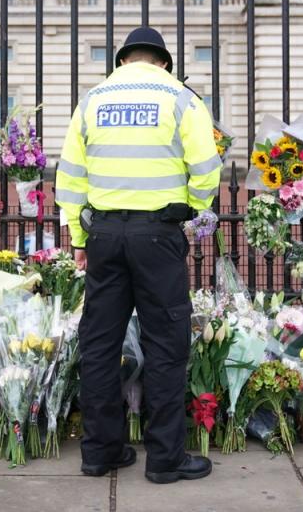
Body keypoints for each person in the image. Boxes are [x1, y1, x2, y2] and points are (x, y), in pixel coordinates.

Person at [56, 27, 222, 484]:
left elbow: (69, 176)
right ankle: (165, 458)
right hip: (158, 234)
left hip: (104, 234)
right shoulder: (180, 97)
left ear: (123, 59)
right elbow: (207, 168)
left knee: (99, 343)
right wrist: (195, 209)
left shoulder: (92, 99)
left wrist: (77, 237)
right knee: (166, 344)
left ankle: (101, 452)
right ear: (163, 61)